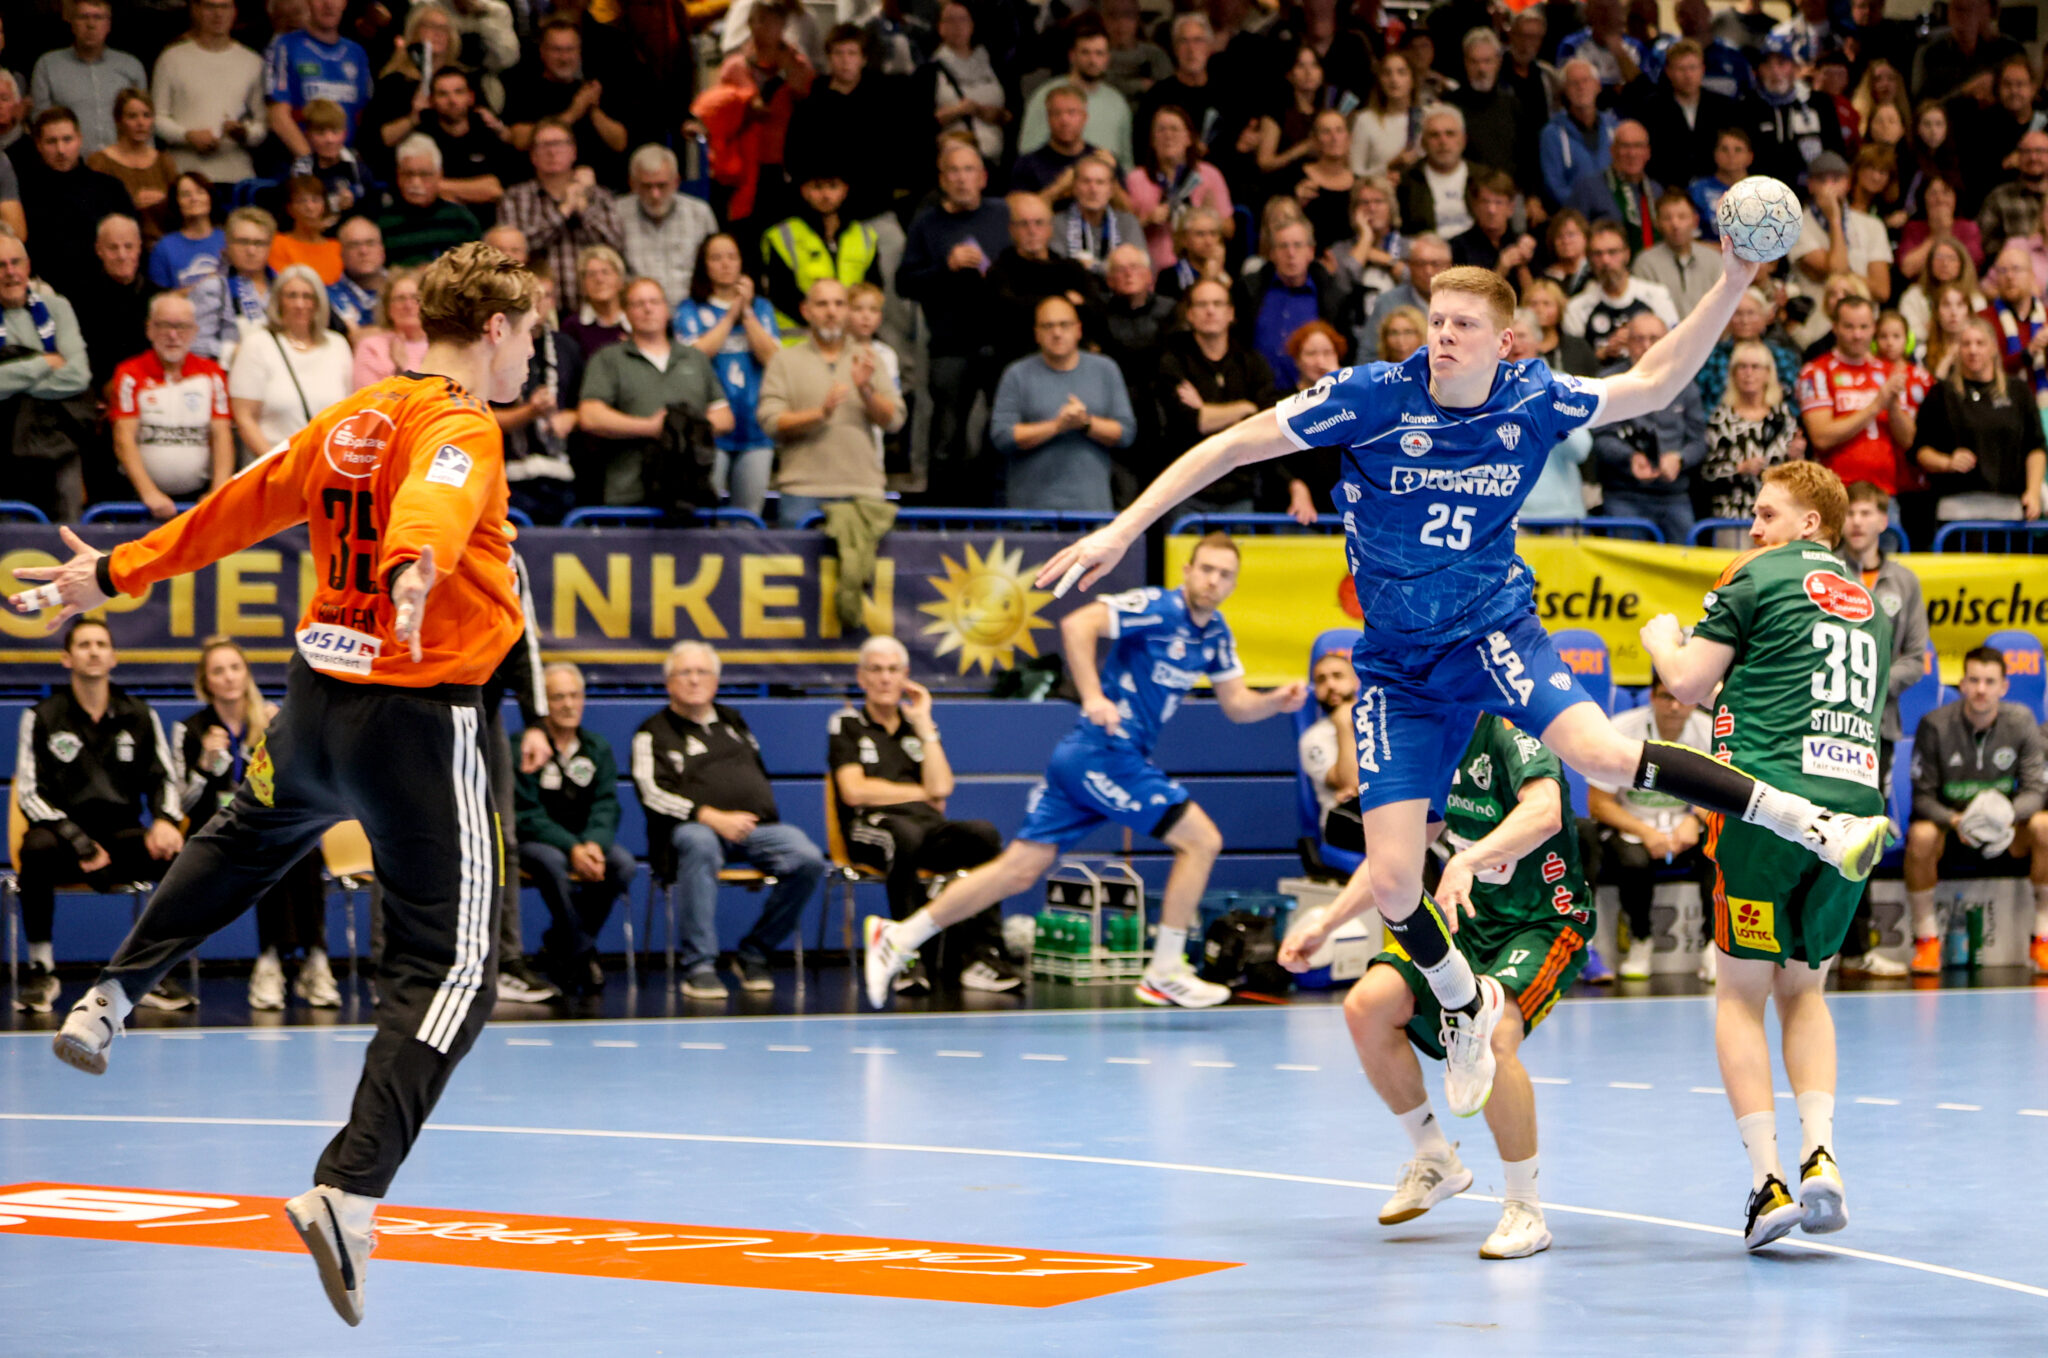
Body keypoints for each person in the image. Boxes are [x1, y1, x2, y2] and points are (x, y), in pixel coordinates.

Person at [1036, 248, 1896, 1124]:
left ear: (1505, 340)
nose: (1442, 337)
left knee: (1602, 755)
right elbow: (1232, 443)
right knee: (1395, 883)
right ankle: (1463, 1003)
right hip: (1398, 667)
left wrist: (1733, 281)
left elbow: (1654, 380)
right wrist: (1122, 531)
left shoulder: (1534, 395)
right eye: (1436, 321)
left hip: (1492, 631)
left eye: (1463, 326)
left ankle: (1808, 821)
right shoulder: (1371, 395)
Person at [24, 241, 539, 1325]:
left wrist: (110, 571)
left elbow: (237, 505)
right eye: (530, 334)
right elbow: (439, 499)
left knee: (247, 835)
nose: (532, 354)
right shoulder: (461, 423)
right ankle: (349, 1190)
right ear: (494, 328)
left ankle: (111, 996)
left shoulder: (353, 417)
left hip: (315, 703)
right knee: (454, 966)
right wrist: (415, 566)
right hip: (418, 716)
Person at [864, 534, 1308, 1010]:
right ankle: (1164, 971)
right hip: (1105, 752)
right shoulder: (1157, 606)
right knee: (1201, 840)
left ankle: (900, 936)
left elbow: (1237, 705)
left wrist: (1275, 702)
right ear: (1187, 571)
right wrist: (1093, 696)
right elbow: (1078, 624)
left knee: (1019, 870)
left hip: (1099, 759)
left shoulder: (1216, 635)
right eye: (1206, 569)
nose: (1213, 580)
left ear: (1234, 584)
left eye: (1224, 574)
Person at [1636, 461, 1883, 1249]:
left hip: (1766, 810)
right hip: (1854, 812)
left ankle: (1768, 1182)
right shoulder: (1869, 601)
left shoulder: (1754, 575)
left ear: (1812, 523)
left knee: (1740, 995)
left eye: (1768, 513)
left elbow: (1686, 683)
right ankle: (1822, 1155)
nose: (1753, 527)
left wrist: (1663, 640)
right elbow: (1768, 689)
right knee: (1805, 991)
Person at [1286, 709, 1592, 1259]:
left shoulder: (1510, 730)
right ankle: (1434, 1157)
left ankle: (1525, 1209)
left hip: (1542, 919)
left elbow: (1545, 812)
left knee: (1493, 1036)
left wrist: (1468, 859)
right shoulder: (1430, 740)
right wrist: (1326, 923)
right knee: (1367, 1005)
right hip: (1467, 918)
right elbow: (1396, 858)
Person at [631, 640, 828, 1000]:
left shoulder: (733, 721)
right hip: (690, 830)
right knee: (700, 842)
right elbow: (651, 792)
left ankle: (755, 952)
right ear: (668, 682)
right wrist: (709, 816)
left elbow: (754, 775)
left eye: (702, 672)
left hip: (752, 829)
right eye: (684, 673)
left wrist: (756, 816)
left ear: (716, 680)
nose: (694, 680)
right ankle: (700, 966)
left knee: (807, 858)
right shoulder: (652, 732)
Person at [9, 618, 186, 1016]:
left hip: (121, 836)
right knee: (34, 849)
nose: (93, 651)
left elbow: (164, 778)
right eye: (84, 645)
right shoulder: (42, 715)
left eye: (101, 644)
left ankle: (152, 970)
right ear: (67, 658)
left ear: (113, 657)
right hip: (62, 838)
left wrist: (165, 820)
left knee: (180, 856)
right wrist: (80, 842)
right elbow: (30, 793)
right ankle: (41, 969)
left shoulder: (139, 714)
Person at [830, 636, 1016, 994]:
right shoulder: (847, 724)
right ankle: (906, 957)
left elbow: (942, 788)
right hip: (869, 829)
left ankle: (983, 956)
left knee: (983, 835)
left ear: (906, 676)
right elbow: (853, 791)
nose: (885, 678)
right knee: (904, 836)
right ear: (861, 677)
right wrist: (919, 793)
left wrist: (925, 725)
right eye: (876, 670)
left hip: (925, 828)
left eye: (893, 670)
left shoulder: (918, 726)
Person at [175, 637, 337, 1009]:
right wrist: (206, 764)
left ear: (246, 674)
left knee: (305, 852)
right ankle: (271, 962)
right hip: (218, 836)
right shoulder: (192, 730)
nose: (229, 677)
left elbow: (299, 785)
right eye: (218, 671)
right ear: (206, 682)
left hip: (268, 828)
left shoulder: (273, 721)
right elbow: (182, 802)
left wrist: (281, 740)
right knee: (268, 853)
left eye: (235, 668)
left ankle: (313, 959)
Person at [1905, 646, 2048, 975]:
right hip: (1952, 830)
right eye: (1974, 680)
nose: (1981, 689)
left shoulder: (2022, 721)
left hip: (2006, 831)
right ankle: (1926, 942)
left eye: (1989, 681)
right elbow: (1922, 798)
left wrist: (2005, 815)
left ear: (2004, 687)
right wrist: (1955, 820)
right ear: (1962, 684)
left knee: (2044, 826)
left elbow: (2035, 792)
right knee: (1921, 835)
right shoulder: (1935, 725)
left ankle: (2042, 938)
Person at [1829, 481, 1923, 977]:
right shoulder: (1823, 573)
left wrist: (1867, 681)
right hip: (1824, 724)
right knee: (1817, 827)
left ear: (1884, 521)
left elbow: (1917, 659)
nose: (1858, 522)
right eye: (1851, 513)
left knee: (1863, 834)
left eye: (1867, 513)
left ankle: (1855, 947)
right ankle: (1812, 946)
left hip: (1877, 727)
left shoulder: (1903, 582)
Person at [895, 139, 1009, 505]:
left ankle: (993, 509)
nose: (961, 178)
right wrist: (945, 267)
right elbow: (904, 283)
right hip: (950, 344)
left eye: (969, 170)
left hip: (1001, 342)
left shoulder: (1003, 214)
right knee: (946, 434)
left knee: (1000, 429)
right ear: (942, 180)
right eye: (954, 171)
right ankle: (942, 514)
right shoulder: (926, 223)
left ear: (983, 177)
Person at [516, 661, 634, 997]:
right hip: (536, 842)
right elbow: (526, 812)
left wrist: (593, 844)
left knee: (623, 864)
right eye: (558, 697)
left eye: (575, 696)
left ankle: (561, 944)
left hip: (585, 840)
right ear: (543, 704)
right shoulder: (522, 746)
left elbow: (606, 804)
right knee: (552, 863)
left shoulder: (597, 747)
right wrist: (572, 848)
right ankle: (582, 952)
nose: (569, 705)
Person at [1587, 676, 1715, 979]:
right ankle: (1640, 939)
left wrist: (1694, 820)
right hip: (1631, 824)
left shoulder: (1710, 731)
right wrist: (1646, 833)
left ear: (1694, 702)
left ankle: (1714, 946)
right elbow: (1599, 804)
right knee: (1633, 861)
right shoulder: (1619, 730)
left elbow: (1725, 795)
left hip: (1685, 825)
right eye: (1666, 697)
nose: (1674, 707)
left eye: (1682, 699)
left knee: (1719, 849)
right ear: (1652, 698)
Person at [576, 275, 732, 506]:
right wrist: (648, 427)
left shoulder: (694, 358)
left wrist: (681, 427)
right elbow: (590, 416)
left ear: (667, 309)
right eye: (638, 303)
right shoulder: (608, 358)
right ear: (626, 312)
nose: (648, 309)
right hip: (629, 493)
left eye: (654, 302)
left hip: (691, 493)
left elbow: (725, 417)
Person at [756, 278, 899, 525]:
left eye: (839, 304)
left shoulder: (869, 359)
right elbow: (770, 422)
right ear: (806, 311)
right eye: (822, 304)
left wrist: (866, 391)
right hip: (802, 490)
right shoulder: (784, 361)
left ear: (847, 311)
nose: (831, 312)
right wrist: (820, 414)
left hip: (862, 489)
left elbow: (894, 420)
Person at [990, 295, 1134, 512]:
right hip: (1030, 514)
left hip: (1091, 512)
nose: (1057, 333)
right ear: (1036, 334)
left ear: (1078, 330)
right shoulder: (1017, 374)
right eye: (1048, 326)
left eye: (1064, 325)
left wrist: (1085, 424)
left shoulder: (1105, 370)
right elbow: (1002, 436)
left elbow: (1126, 433)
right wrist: (1057, 426)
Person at [676, 232, 780, 517]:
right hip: (710, 431)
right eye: (716, 257)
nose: (725, 264)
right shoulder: (689, 309)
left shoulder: (761, 308)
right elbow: (695, 357)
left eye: (732, 257)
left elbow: (773, 359)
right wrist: (730, 315)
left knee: (748, 515)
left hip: (755, 429)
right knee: (708, 514)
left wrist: (746, 312)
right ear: (704, 265)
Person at [1156, 278, 1281, 514]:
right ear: (1190, 314)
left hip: (1239, 488)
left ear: (1230, 313)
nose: (1210, 310)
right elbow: (1191, 422)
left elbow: (1265, 422)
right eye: (1202, 304)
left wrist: (1206, 410)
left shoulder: (1252, 363)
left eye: (1217, 303)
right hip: (1186, 488)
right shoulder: (1174, 362)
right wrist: (1244, 408)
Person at [110, 292, 232, 519]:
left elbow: (222, 435)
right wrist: (149, 493)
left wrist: (218, 492)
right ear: (149, 329)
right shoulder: (129, 373)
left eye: (182, 327)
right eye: (165, 325)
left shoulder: (213, 374)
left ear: (195, 331)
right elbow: (123, 438)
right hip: (139, 501)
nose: (173, 335)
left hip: (198, 499)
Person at [1914, 315, 2047, 522]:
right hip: (1956, 510)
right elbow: (1921, 450)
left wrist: (2033, 491)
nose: (1973, 350)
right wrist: (1947, 462)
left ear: (1993, 347)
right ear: (1958, 349)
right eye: (1966, 344)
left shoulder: (2018, 391)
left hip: (2010, 507)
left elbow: (2035, 447)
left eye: (1980, 343)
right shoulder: (1942, 393)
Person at [0, 229, 93, 523]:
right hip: (3, 442)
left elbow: (78, 375)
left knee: (68, 526)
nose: (10, 272)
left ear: (28, 267)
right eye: (0, 265)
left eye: (16, 262)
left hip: (57, 440)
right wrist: (43, 362)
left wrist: (13, 382)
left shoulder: (57, 308)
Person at [1594, 312, 1706, 542]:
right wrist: (1629, 457)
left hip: (1674, 495)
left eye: (1654, 339)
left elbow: (1699, 441)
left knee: (1684, 560)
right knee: (1624, 562)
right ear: (1627, 343)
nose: (1646, 346)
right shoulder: (1609, 382)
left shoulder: (1685, 382)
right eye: (1638, 339)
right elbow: (1600, 438)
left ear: (1667, 342)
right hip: (1624, 493)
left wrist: (1680, 459)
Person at [499, 117, 626, 313]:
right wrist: (564, 210)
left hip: (592, 310)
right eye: (544, 145)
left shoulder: (599, 196)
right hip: (536, 309)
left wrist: (583, 208)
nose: (552, 151)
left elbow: (615, 245)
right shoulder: (515, 198)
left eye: (559, 144)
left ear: (574, 152)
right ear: (533, 156)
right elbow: (514, 251)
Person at [227, 265, 351, 460]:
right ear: (278, 301)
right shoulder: (256, 344)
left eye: (307, 296)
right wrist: (276, 464)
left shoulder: (337, 344)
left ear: (318, 302)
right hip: (272, 465)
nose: (300, 304)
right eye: (291, 296)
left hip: (325, 465)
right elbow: (244, 418)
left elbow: (348, 413)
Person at [1797, 293, 1915, 497]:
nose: (1857, 335)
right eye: (1849, 327)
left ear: (1874, 328)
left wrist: (1893, 405)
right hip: (1836, 492)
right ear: (1835, 327)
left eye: (1864, 327)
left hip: (1883, 493)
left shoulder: (1889, 372)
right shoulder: (1816, 372)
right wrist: (1876, 405)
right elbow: (1821, 437)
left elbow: (1908, 440)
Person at [14, 106, 135, 298]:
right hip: (46, 295)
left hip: (107, 293)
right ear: (38, 145)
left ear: (80, 139)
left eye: (67, 139)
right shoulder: (25, 193)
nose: (60, 150)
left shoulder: (110, 188)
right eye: (51, 142)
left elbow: (132, 243)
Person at [503, 14, 632, 188]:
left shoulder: (591, 90)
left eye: (570, 50)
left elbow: (620, 143)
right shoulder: (525, 89)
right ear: (542, 51)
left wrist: (593, 110)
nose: (564, 58)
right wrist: (573, 112)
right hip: (545, 189)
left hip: (601, 187)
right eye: (556, 50)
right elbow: (519, 140)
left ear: (579, 52)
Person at [495, 264, 581, 524]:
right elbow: (480, 415)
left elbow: (585, 406)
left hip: (560, 474)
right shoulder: (496, 347)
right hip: (510, 476)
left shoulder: (567, 347)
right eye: (532, 296)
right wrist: (528, 412)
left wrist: (572, 417)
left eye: (546, 296)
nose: (539, 304)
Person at [151, 0, 269, 184]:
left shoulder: (253, 62)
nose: (218, 14)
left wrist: (244, 133)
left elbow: (262, 123)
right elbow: (156, 118)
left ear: (234, 12)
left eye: (225, 6)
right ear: (196, 10)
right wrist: (187, 136)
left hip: (236, 175)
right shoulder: (171, 59)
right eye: (210, 6)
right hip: (184, 175)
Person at [986, 190, 1103, 369]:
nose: (1032, 231)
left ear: (1050, 229)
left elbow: (1096, 312)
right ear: (1011, 229)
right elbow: (1008, 315)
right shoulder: (1000, 271)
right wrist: (1066, 300)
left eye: (1039, 223)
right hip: (1020, 358)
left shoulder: (1071, 268)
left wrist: (1033, 303)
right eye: (1023, 224)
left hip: (1075, 358)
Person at [761, 168, 881, 338]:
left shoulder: (863, 235)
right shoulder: (783, 235)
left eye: (833, 186)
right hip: (800, 341)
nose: (826, 195)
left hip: (851, 338)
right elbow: (782, 295)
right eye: (817, 187)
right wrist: (829, 321)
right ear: (804, 190)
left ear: (844, 190)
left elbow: (873, 290)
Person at [1702, 337, 1806, 522]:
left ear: (1768, 373)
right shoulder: (1720, 418)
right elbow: (1707, 472)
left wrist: (1797, 455)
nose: (1748, 373)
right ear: (1733, 374)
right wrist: (1739, 469)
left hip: (1777, 514)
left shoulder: (1783, 416)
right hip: (1732, 514)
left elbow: (1797, 473)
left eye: (1755, 367)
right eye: (1742, 367)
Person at [30, 0, 147, 155]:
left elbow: (146, 121)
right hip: (70, 163)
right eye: (83, 17)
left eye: (98, 17)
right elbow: (40, 123)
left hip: (123, 162)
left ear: (108, 25)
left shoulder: (131, 66)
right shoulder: (48, 65)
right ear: (72, 23)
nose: (91, 24)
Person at [1019, 14, 1134, 170]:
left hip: (1105, 181)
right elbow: (1028, 152)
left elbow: (1126, 162)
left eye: (1099, 53)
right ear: (1072, 56)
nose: (1092, 60)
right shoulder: (1047, 95)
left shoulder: (1117, 102)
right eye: (1085, 52)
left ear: (1107, 58)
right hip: (1055, 180)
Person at [1626, 38, 1737, 193]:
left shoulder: (1723, 107)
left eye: (1692, 68)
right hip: (1666, 190)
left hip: (1716, 190)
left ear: (1702, 69)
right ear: (1668, 71)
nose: (1688, 75)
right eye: (1681, 69)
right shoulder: (1651, 108)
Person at [262, 0, 372, 157]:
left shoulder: (357, 53)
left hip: (344, 162)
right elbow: (277, 116)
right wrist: (312, 163)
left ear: (345, 3)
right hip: (296, 163)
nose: (329, 4)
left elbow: (363, 116)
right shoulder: (284, 46)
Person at [617, 143, 718, 310]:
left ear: (676, 181)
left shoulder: (699, 213)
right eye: (647, 186)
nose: (655, 195)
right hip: (638, 313)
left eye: (661, 185)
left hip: (693, 312)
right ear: (632, 184)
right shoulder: (617, 214)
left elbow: (715, 267)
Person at [1564, 220, 1678, 364]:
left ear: (1627, 254)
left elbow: (1675, 344)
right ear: (1589, 259)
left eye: (1612, 252)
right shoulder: (1577, 308)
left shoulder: (1656, 295)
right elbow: (1574, 364)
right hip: (1601, 376)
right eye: (1597, 254)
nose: (1605, 260)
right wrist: (1602, 353)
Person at [1740, 33, 1844, 189]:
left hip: (1812, 191)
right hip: (1759, 192)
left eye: (1781, 63)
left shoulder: (1820, 103)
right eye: (1767, 64)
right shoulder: (1746, 107)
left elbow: (1835, 153)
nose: (1775, 71)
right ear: (1758, 70)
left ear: (1795, 67)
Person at [1791, 151, 1892, 311]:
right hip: (1818, 321)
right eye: (1822, 180)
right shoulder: (1795, 226)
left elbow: (1881, 291)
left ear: (1848, 184)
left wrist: (1843, 272)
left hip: (1863, 320)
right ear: (1810, 185)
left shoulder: (1873, 225)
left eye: (1836, 179)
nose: (1829, 187)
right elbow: (1837, 270)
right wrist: (1835, 220)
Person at [411, 68, 515, 217]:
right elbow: (417, 187)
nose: (452, 100)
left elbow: (495, 190)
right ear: (431, 101)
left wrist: (439, 186)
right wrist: (473, 190)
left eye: (458, 92)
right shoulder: (422, 138)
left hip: (488, 221)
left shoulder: (486, 134)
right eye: (443, 94)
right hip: (437, 220)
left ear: (470, 97)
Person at [73, 214, 157, 393]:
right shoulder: (82, 300)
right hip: (104, 390)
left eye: (128, 246)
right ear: (99, 250)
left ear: (139, 247)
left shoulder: (158, 298)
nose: (122, 255)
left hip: (154, 387)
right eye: (113, 247)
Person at [376, 136, 485, 270]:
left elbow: (477, 269)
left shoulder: (462, 220)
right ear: (398, 176)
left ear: (439, 175)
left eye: (424, 175)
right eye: (408, 174)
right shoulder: (382, 223)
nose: (415, 183)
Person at [922, 0, 1007, 167]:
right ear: (940, 27)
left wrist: (989, 113)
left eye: (962, 19)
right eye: (950, 20)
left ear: (972, 25)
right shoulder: (928, 72)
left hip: (995, 159)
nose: (957, 26)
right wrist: (957, 111)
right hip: (952, 161)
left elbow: (1013, 114)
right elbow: (919, 124)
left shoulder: (995, 65)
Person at [88, 89, 179, 244]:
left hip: (162, 243)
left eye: (146, 115)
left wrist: (164, 199)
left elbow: (180, 208)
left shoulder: (164, 161)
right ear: (119, 120)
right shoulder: (100, 162)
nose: (140, 123)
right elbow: (93, 210)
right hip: (118, 244)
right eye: (132, 116)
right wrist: (129, 203)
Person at [1562, 119, 1662, 252]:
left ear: (1647, 152)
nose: (1632, 153)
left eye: (1638, 146)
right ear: (1612, 150)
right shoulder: (1588, 188)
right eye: (1625, 146)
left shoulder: (1656, 191)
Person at [1538, 59, 1615, 211]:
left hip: (1614, 214)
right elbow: (1555, 186)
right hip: (1574, 216)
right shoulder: (1552, 134)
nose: (1581, 87)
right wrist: (1587, 209)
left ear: (1598, 86)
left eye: (1586, 81)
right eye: (1574, 83)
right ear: (1564, 90)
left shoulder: (1614, 128)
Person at [1299, 648, 1360, 839]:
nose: (1331, 685)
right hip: (1343, 820)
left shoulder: (1382, 723)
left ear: (1355, 681)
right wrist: (1343, 723)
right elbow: (1350, 782)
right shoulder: (1313, 739)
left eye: (1338, 676)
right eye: (1321, 680)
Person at [1052, 150, 1145, 276]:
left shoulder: (1128, 223)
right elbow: (1059, 270)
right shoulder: (1057, 224)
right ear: (1074, 187)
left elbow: (1139, 269)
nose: (1093, 189)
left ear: (1111, 190)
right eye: (1086, 182)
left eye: (1100, 182)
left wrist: (1092, 266)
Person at [1630, 191, 1716, 317]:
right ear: (1657, 223)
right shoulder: (1644, 263)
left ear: (1695, 221)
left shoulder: (1714, 259)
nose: (1675, 225)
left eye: (1682, 217)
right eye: (1667, 218)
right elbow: (1642, 314)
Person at [1394, 106, 1475, 240]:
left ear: (1463, 140)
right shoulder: (1407, 181)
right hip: (1426, 250)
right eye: (1434, 135)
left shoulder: (1483, 177)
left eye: (1450, 134)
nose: (1443, 141)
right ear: (1423, 143)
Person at [1350, 50, 1428, 181]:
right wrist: (1389, 167)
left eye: (1401, 72)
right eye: (1387, 73)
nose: (1393, 79)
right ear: (1380, 81)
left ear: (1413, 80)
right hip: (1380, 191)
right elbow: (1356, 173)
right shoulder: (1366, 120)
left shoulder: (1428, 118)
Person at [286, 99, 369, 221]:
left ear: (344, 134)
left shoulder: (356, 165)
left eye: (335, 132)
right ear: (308, 135)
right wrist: (334, 205)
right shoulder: (301, 169)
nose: (329, 139)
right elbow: (301, 213)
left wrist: (354, 201)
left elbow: (373, 203)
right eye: (320, 133)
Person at [1976, 130, 2048, 264]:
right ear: (2018, 157)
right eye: (2026, 152)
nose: (2033, 157)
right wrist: (2016, 251)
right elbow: (1983, 242)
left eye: (2040, 151)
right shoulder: (2000, 197)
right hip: (2013, 270)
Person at [1448, 169, 1536, 277]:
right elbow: (1464, 288)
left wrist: (1522, 266)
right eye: (1485, 202)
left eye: (1498, 203)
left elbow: (1538, 287)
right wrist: (1502, 268)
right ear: (1474, 206)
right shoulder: (1457, 247)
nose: (1491, 210)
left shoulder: (1519, 242)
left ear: (1510, 208)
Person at [352, 268, 429, 389]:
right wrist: (400, 370)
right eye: (400, 298)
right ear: (388, 308)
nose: (408, 305)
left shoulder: (441, 345)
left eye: (415, 297)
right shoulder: (372, 347)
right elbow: (369, 398)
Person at [148, 171, 224, 292]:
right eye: (186, 194)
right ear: (176, 203)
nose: (194, 198)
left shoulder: (229, 240)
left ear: (210, 198)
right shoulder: (164, 248)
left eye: (200, 192)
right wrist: (203, 286)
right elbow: (160, 297)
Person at [269, 175, 342, 285]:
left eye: (315, 200)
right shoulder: (277, 243)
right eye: (301, 201)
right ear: (289, 209)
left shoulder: (337, 247)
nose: (310, 207)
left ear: (324, 206)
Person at [559, 244, 627, 357]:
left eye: (605, 272)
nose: (599, 279)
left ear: (620, 280)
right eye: (591, 274)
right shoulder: (572, 327)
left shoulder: (635, 320)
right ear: (583, 285)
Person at [1689, 126, 1754, 242]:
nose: (1731, 155)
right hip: (1707, 251)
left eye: (1738, 150)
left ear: (1750, 157)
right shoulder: (1697, 190)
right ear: (1715, 154)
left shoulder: (1763, 190)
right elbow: (1688, 237)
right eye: (1724, 149)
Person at [327, 216, 387, 337]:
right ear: (341, 253)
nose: (363, 251)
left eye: (370, 243)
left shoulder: (404, 287)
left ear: (382, 249)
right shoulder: (328, 297)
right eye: (354, 245)